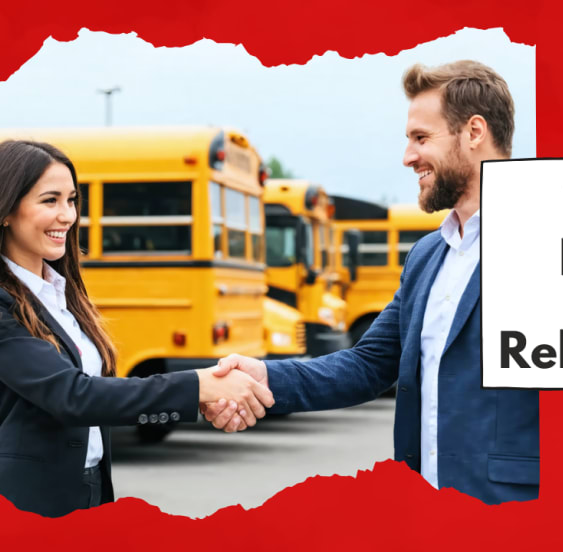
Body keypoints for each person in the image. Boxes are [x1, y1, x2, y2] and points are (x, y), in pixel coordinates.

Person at [204, 61, 539, 505]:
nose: (408, 157)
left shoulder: (552, 243)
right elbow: (367, 365)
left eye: (421, 138)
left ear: (474, 132)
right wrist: (262, 374)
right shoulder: (426, 258)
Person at [0, 140, 273, 517]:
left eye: (72, 200)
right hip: (20, 505)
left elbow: (101, 395)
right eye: (50, 200)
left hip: (87, 493)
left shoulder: (63, 296)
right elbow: (72, 396)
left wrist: (197, 398)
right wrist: (198, 384)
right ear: (5, 211)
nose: (67, 215)